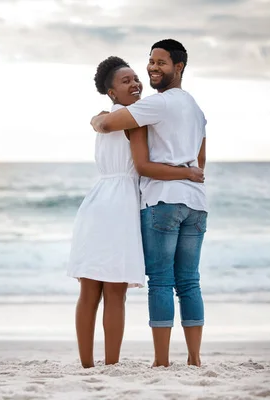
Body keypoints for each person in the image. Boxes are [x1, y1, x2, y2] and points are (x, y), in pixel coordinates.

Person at [68, 55, 205, 368]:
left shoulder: (107, 118)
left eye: (135, 78)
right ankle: (110, 365)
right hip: (120, 204)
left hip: (96, 201)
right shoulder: (134, 120)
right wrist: (188, 172)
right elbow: (143, 166)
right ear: (112, 92)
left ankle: (88, 365)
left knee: (89, 289)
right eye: (125, 81)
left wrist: (96, 117)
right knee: (114, 291)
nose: (135, 83)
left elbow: (101, 124)